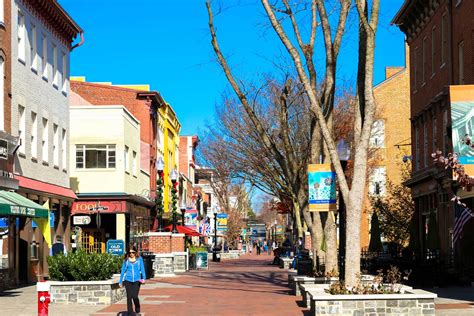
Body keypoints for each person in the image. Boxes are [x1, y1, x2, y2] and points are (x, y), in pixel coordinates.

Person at [119, 246, 146, 315]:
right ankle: (130, 313)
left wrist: (144, 278)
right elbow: (122, 271)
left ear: (135, 252)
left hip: (137, 280)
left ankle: (137, 308)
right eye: (130, 252)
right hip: (127, 280)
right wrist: (120, 281)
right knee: (129, 297)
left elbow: (142, 269)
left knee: (135, 296)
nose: (131, 254)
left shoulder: (139, 259)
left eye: (133, 252)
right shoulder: (126, 260)